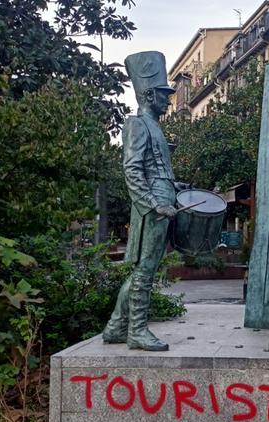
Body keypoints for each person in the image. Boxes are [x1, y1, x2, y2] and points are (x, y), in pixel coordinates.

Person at [101, 51, 186, 351]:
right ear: (149, 94)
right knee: (146, 269)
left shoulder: (155, 126)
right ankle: (136, 330)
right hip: (152, 205)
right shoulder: (136, 124)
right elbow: (132, 169)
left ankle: (115, 327)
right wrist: (153, 203)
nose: (168, 100)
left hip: (162, 198)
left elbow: (155, 169)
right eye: (164, 94)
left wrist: (174, 186)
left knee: (145, 267)